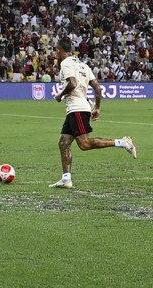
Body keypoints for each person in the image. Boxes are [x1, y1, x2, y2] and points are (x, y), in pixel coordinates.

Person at [50, 36, 137, 189]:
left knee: (84, 144)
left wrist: (60, 95)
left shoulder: (65, 63)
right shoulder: (83, 65)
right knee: (64, 142)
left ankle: (123, 143)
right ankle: (66, 179)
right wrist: (97, 107)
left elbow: (72, 83)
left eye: (56, 50)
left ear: (59, 50)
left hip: (76, 108)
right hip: (77, 108)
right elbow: (97, 88)